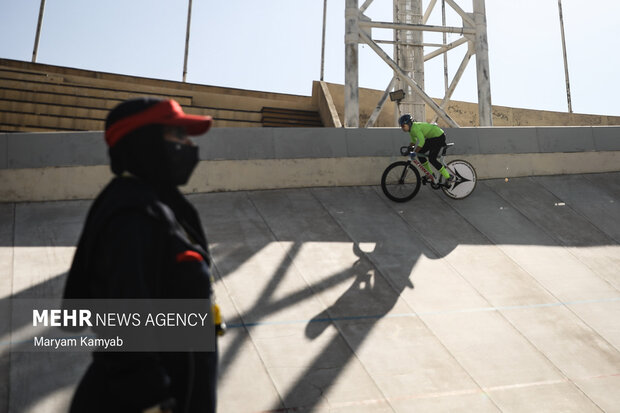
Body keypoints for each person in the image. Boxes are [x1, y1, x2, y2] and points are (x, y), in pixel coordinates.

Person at [64, 97, 217, 413]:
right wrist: (152, 400)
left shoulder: (157, 204)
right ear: (144, 143)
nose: (189, 144)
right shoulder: (132, 216)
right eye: (178, 135)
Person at [398, 114, 453, 184]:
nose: (402, 128)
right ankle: (430, 174)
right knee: (420, 154)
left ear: (409, 123)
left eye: (403, 126)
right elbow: (413, 141)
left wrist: (414, 152)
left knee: (432, 159)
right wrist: (409, 149)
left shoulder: (415, 128)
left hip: (439, 137)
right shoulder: (411, 130)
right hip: (431, 138)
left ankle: (448, 176)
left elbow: (422, 141)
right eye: (401, 126)